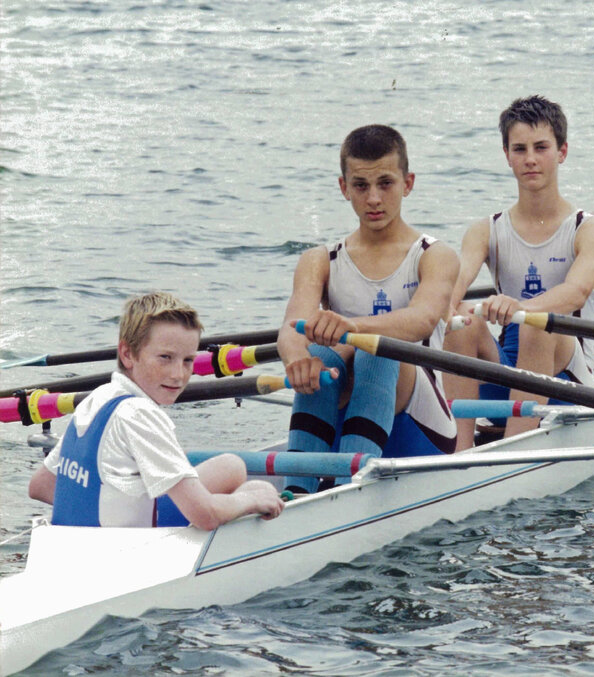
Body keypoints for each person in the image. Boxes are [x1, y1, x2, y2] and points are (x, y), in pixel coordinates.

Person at [277, 124, 459, 493]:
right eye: (360, 186)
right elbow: (290, 328)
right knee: (314, 351)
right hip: (350, 409)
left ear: (408, 183)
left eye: (386, 184)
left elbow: (422, 320)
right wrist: (299, 362)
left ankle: (349, 488)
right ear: (344, 188)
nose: (373, 198)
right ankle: (297, 492)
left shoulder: (435, 256)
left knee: (378, 347)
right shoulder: (319, 260)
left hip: (421, 429)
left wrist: (350, 330)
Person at [28, 292, 284, 529]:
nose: (178, 375)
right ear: (128, 354)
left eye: (188, 360)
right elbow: (206, 516)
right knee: (257, 486)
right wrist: (250, 500)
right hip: (128, 548)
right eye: (165, 358)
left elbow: (40, 485)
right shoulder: (141, 414)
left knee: (232, 466)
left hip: (74, 540)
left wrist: (117, 503)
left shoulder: (99, 396)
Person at [443, 95, 594, 449]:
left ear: (562, 152)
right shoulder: (485, 230)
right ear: (507, 155)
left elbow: (576, 292)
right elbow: (456, 283)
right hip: (509, 376)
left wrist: (521, 308)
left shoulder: (590, 229)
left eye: (541, 147)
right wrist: (444, 309)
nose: (530, 159)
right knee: (461, 323)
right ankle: (458, 450)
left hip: (572, 385)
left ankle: (516, 448)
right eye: (520, 149)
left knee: (537, 324)